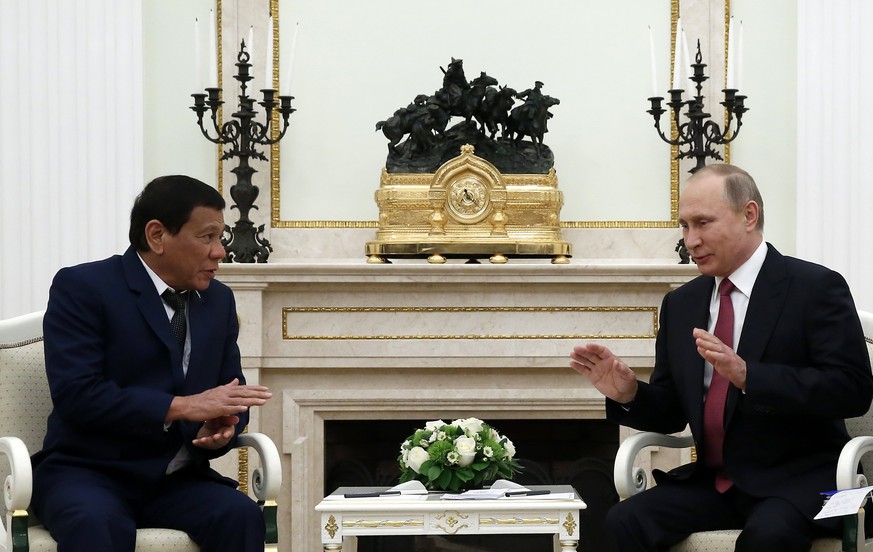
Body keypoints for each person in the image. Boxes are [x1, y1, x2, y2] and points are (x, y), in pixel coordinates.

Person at [570, 164, 873, 552]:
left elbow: (851, 390)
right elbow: (671, 412)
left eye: (703, 223)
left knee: (768, 536)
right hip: (712, 483)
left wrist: (750, 377)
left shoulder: (815, 288)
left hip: (797, 482)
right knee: (622, 522)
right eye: (684, 226)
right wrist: (629, 394)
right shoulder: (681, 304)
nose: (690, 240)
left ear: (749, 215)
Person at [32, 175, 273, 551]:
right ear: (157, 235)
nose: (219, 252)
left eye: (219, 238)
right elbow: (78, 394)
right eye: (207, 237)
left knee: (240, 515)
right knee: (98, 525)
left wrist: (223, 425)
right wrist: (184, 407)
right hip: (88, 474)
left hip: (175, 479)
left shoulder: (219, 302)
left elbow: (230, 390)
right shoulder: (84, 287)